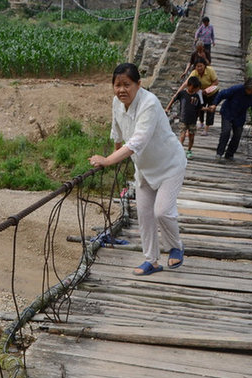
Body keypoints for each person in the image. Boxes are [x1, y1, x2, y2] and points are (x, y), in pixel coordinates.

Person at [89, 63, 186, 275]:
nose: (121, 89)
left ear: (138, 84)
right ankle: (152, 261)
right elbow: (117, 132)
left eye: (127, 84)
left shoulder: (149, 103)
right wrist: (115, 154)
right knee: (144, 215)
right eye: (117, 85)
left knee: (162, 212)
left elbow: (137, 142)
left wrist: (107, 160)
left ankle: (176, 246)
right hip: (144, 168)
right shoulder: (117, 102)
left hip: (170, 164)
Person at [208, 77, 252, 163]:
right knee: (226, 132)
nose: (250, 92)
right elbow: (221, 94)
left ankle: (229, 154)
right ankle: (219, 153)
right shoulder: (236, 89)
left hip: (240, 116)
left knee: (237, 135)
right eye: (249, 90)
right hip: (227, 113)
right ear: (246, 87)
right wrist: (214, 104)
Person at [165, 76, 204, 160]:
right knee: (182, 135)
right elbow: (173, 99)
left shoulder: (196, 96)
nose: (194, 90)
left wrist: (199, 117)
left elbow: (199, 108)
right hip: (183, 118)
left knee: (191, 136)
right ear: (188, 86)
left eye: (195, 89)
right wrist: (168, 108)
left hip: (193, 120)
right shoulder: (182, 93)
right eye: (193, 88)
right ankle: (179, 151)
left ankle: (189, 150)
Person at [178, 58, 219, 135]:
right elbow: (186, 83)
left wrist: (207, 90)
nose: (199, 68)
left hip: (212, 92)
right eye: (197, 66)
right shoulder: (194, 73)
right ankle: (201, 123)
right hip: (200, 92)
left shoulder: (210, 71)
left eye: (201, 66)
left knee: (210, 109)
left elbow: (216, 82)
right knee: (199, 107)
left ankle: (206, 129)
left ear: (205, 66)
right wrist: (178, 92)